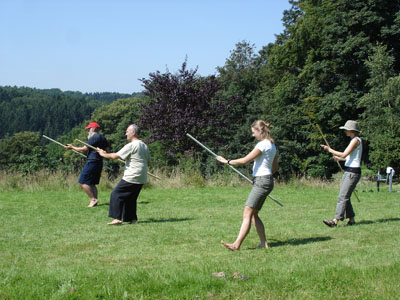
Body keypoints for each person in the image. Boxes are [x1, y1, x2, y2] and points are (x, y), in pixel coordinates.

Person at [216, 120, 278, 251]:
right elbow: (275, 168)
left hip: (262, 181)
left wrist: (226, 161)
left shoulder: (262, 145)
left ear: (260, 131)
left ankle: (236, 245)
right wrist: (261, 178)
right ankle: (263, 243)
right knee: (254, 214)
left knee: (247, 213)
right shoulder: (272, 145)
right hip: (266, 180)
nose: (253, 135)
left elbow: (244, 160)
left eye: (254, 132)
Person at [97, 124, 151, 225]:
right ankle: (132, 219)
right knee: (130, 198)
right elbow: (149, 163)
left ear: (133, 132)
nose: (126, 133)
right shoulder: (144, 145)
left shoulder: (132, 145)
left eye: (127, 131)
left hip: (132, 175)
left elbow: (115, 156)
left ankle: (117, 218)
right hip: (142, 176)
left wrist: (102, 154)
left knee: (116, 194)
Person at [321, 120, 362, 227]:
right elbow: (349, 157)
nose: (344, 131)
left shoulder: (355, 141)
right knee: (345, 196)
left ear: (352, 130)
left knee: (342, 197)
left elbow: (344, 154)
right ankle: (351, 220)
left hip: (352, 172)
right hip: (349, 171)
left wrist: (329, 150)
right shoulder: (353, 140)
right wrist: (339, 159)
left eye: (346, 129)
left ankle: (335, 221)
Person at [65, 122, 108, 208]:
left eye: (89, 129)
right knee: (92, 183)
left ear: (94, 129)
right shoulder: (103, 138)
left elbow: (83, 149)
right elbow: (107, 150)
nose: (88, 131)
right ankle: (95, 200)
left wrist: (72, 147)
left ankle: (93, 199)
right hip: (99, 162)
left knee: (82, 181)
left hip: (92, 161)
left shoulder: (94, 137)